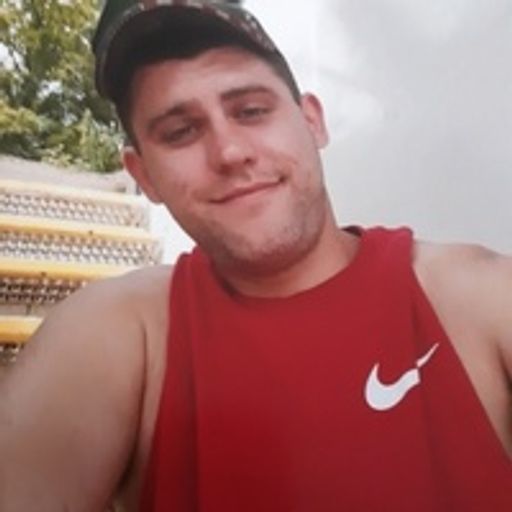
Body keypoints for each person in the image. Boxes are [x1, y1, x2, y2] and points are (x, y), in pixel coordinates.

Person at [1, 1, 511, 511]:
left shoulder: (476, 298)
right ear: (144, 176)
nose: (229, 152)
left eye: (251, 111)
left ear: (312, 121)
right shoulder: (117, 334)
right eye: (180, 132)